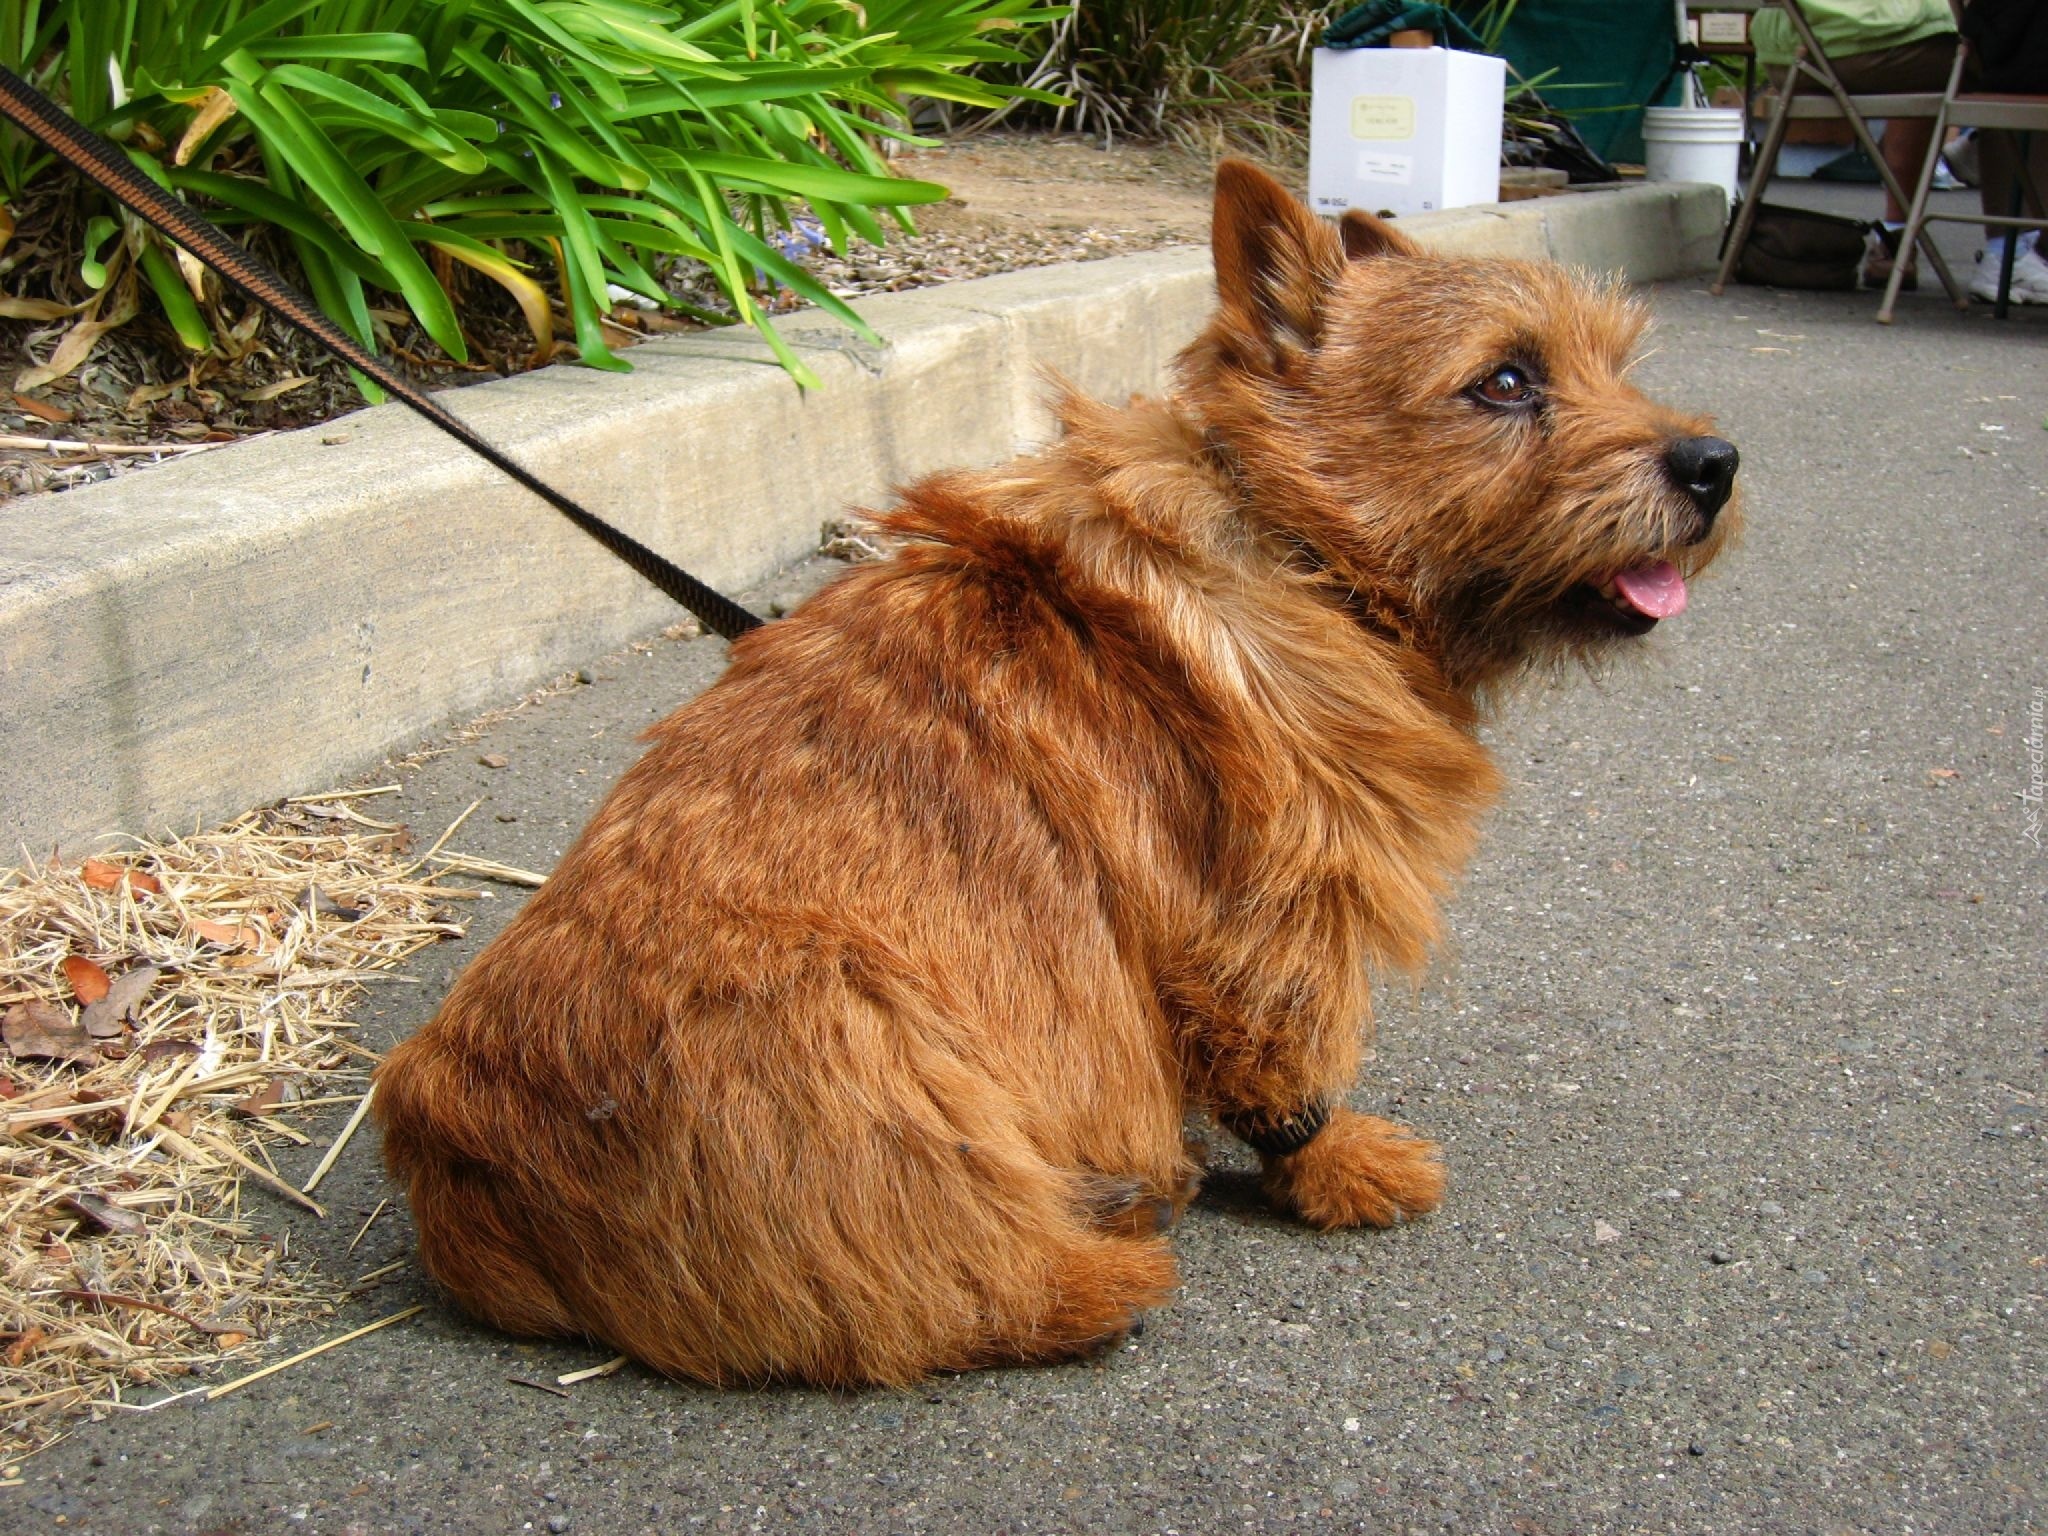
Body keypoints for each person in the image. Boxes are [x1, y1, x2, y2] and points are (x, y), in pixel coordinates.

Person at [1751, 0, 2048, 302]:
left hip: (1787, 42)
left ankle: (1901, 232)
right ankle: (2010, 254)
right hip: (1858, 41)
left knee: (2004, 45)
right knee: (2011, 60)